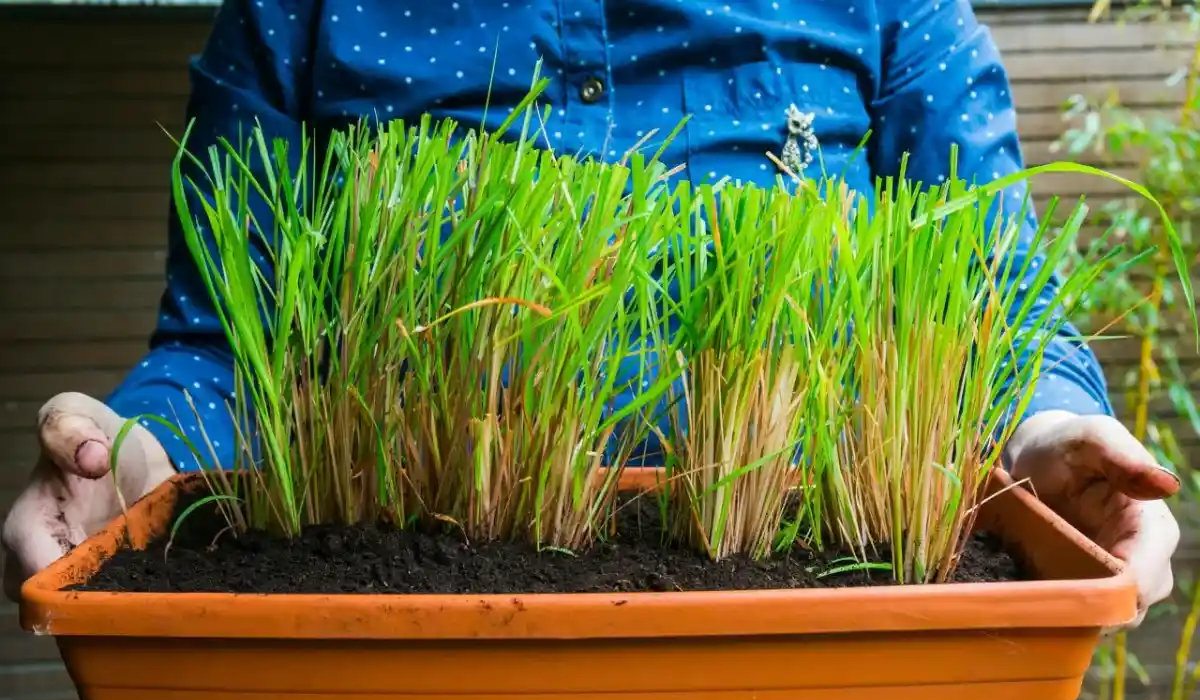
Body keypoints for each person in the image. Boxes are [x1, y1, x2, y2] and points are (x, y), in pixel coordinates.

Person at [1, 0, 1181, 626]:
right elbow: (218, 346)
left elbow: (1001, 309)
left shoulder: (887, 4)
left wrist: (1044, 430)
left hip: (811, 634)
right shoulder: (302, 11)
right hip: (412, 656)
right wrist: (144, 458)